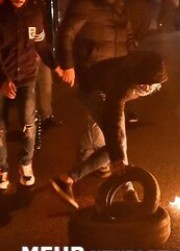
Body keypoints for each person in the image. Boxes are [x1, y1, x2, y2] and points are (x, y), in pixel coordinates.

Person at [50, 51, 167, 208]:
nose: (147, 88)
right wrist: (117, 157)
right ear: (136, 79)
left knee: (118, 145)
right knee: (115, 146)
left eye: (152, 85)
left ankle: (128, 191)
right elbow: (113, 124)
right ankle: (66, 180)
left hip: (102, 87)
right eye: (143, 85)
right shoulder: (121, 84)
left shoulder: (146, 66)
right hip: (92, 93)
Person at [56, 0, 136, 176]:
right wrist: (68, 66)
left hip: (116, 75)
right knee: (114, 133)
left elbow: (127, 36)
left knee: (101, 125)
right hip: (92, 73)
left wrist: (133, 60)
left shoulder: (120, 4)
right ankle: (121, 179)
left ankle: (92, 164)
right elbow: (66, 35)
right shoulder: (83, 3)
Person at [0, 0, 63, 190]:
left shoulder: (35, 15)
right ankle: (2, 168)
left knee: (28, 123)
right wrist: (3, 81)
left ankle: (25, 164)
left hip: (27, 76)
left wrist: (56, 66)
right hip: (2, 78)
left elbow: (41, 45)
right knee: (0, 127)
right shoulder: (1, 16)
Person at [25, 0, 62, 134]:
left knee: (46, 83)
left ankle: (47, 116)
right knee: (31, 86)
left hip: (44, 43)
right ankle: (30, 122)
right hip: (31, 48)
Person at [118, 0, 153, 124]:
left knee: (130, 79)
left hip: (132, 45)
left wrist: (138, 38)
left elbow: (145, 20)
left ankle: (129, 111)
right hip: (115, 46)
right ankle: (117, 110)